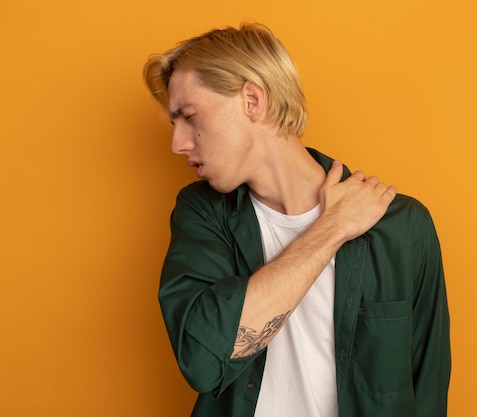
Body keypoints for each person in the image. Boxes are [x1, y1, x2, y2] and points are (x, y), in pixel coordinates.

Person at [143, 22, 450, 417]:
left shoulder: (402, 227)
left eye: (188, 116)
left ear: (252, 100)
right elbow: (203, 361)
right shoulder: (202, 214)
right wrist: (332, 228)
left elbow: (427, 390)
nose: (177, 144)